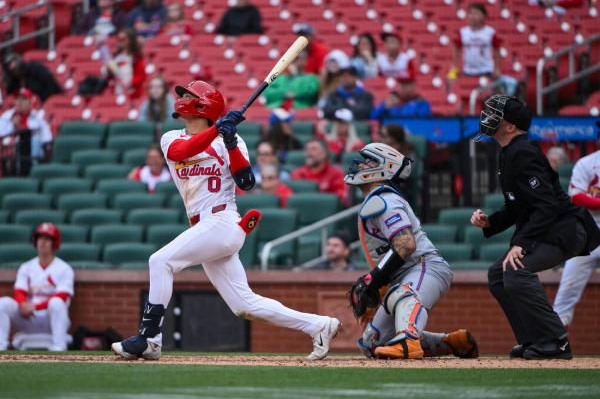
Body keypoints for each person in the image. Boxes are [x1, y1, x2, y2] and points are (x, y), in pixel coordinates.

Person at [111, 80, 341, 361]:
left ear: (204, 105)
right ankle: (318, 325)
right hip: (203, 227)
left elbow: (246, 182)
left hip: (222, 221)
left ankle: (149, 339)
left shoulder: (230, 140)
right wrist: (217, 130)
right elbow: (182, 153)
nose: (183, 98)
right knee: (244, 305)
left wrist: (230, 142)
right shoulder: (171, 137)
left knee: (160, 261)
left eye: (189, 95)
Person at [470, 95, 600, 360]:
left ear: (510, 126)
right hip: (549, 229)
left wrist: (521, 243)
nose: (487, 116)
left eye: (496, 114)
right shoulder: (509, 152)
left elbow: (547, 205)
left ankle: (556, 340)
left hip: (565, 230)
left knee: (516, 271)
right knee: (498, 275)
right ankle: (534, 339)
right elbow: (518, 206)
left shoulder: (523, 152)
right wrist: (491, 221)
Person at [344, 142, 478, 359]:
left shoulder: (384, 200)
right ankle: (452, 343)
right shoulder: (377, 199)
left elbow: (406, 244)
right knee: (372, 343)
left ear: (384, 168)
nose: (360, 165)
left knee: (403, 294)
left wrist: (374, 279)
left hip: (424, 265)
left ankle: (409, 342)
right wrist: (377, 284)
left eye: (369, 161)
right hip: (405, 273)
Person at [0, 223, 74, 351]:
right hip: (29, 317)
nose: (43, 242)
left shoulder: (64, 268)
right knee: (3, 303)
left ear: (55, 243)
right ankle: (1, 346)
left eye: (47, 239)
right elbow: (19, 291)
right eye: (40, 238)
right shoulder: (26, 267)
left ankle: (59, 346)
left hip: (51, 319)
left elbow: (63, 296)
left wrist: (36, 307)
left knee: (57, 302)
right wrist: (23, 305)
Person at [553, 148, 600, 326]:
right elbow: (577, 197)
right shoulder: (587, 163)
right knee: (567, 291)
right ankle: (556, 335)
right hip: (588, 229)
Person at [79, 28, 146, 98]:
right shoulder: (115, 56)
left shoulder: (136, 57)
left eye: (123, 39)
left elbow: (141, 76)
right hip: (115, 89)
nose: (121, 42)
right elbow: (110, 75)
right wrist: (109, 71)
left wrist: (128, 83)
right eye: (119, 39)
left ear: (131, 40)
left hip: (130, 91)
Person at [0, 88, 52, 176]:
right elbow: (2, 136)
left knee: (35, 141)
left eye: (24, 99)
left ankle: (34, 172)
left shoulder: (38, 119)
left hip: (32, 154)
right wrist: (13, 126)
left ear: (30, 102)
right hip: (11, 156)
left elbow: (47, 139)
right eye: (18, 99)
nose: (20, 102)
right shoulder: (6, 116)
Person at [450, 2, 501, 79]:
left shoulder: (490, 32)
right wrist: (454, 66)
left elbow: (497, 50)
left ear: (484, 16)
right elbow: (456, 48)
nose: (473, 16)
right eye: (471, 13)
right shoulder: (463, 32)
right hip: (468, 71)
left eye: (476, 13)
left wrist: (497, 68)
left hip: (486, 70)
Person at [291, 139, 347, 204]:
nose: (309, 152)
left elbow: (340, 198)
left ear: (324, 153)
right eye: (307, 149)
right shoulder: (297, 173)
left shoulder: (336, 173)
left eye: (313, 149)